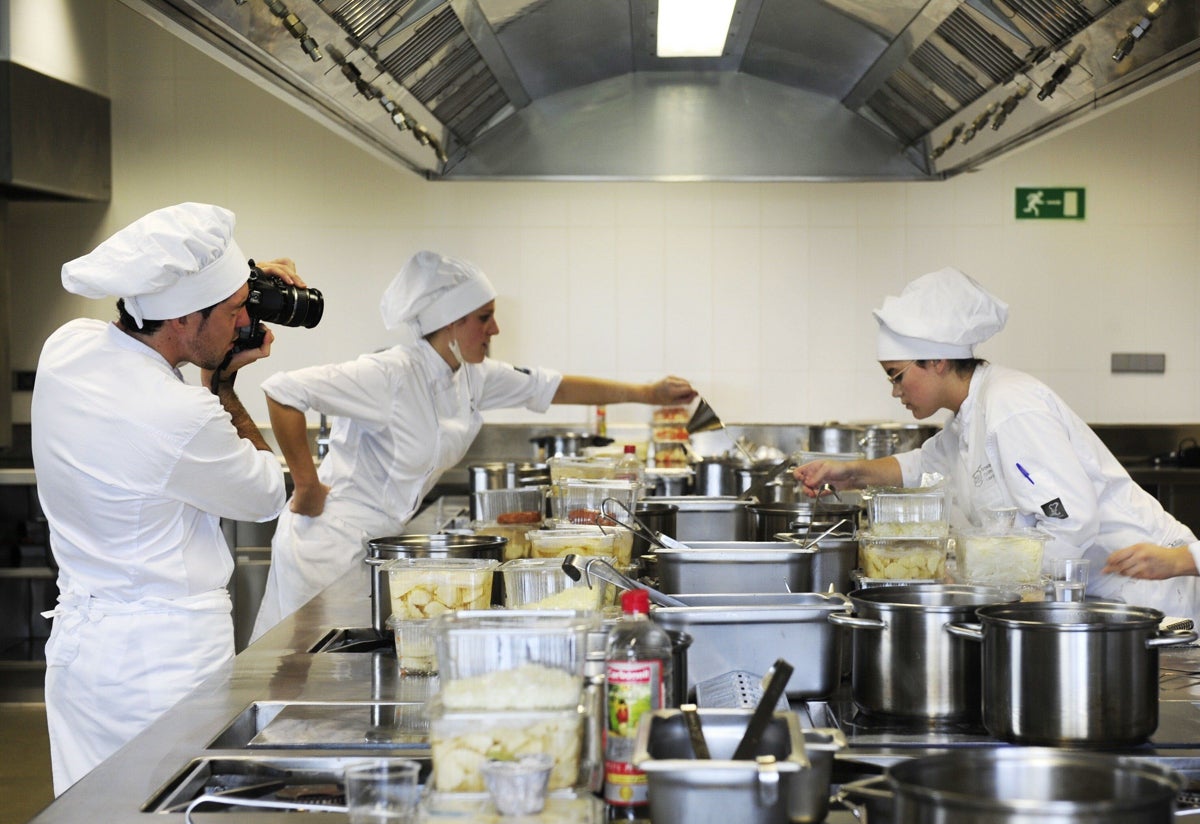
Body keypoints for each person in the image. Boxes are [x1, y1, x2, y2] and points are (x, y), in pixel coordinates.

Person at [250, 250, 697, 640]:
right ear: (450, 323)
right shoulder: (389, 374)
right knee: (300, 661)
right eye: (485, 318)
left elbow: (553, 387)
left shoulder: (468, 377)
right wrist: (306, 485)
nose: (496, 329)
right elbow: (283, 390)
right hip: (327, 541)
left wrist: (648, 394)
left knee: (349, 654)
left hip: (378, 540)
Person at [32, 203, 299, 794]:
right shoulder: (178, 415)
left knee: (88, 818)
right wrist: (225, 386)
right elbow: (265, 493)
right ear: (182, 317)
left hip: (86, 654)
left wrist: (241, 276)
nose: (242, 322)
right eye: (235, 311)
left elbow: (167, 316)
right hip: (161, 664)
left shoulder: (68, 348)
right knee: (169, 815)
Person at [794, 266, 1200, 621]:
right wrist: (848, 473)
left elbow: (1070, 520)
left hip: (1150, 593)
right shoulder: (970, 415)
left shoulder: (1009, 407)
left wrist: (1008, 596)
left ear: (936, 360)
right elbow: (923, 466)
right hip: (1098, 594)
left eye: (896, 375)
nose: (895, 391)